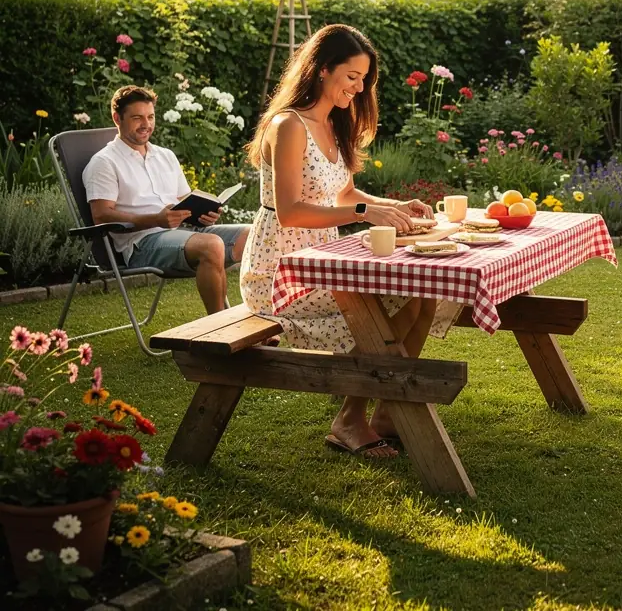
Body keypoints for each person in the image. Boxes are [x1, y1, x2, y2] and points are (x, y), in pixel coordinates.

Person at [240, 23, 443, 460]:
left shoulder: (335, 124)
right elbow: (292, 209)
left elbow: (346, 195)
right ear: (321, 69)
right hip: (281, 271)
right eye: (352, 76)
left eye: (364, 79)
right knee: (397, 300)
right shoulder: (288, 125)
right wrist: (365, 214)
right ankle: (350, 418)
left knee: (422, 296)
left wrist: (396, 205)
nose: (359, 87)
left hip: (322, 258)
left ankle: (389, 411)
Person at [83, 86, 249, 315]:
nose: (146, 124)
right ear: (117, 119)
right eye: (137, 118)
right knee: (211, 245)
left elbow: (185, 201)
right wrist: (156, 219)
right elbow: (101, 215)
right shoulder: (104, 162)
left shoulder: (165, 156)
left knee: (256, 234)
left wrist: (204, 215)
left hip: (183, 234)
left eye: (150, 117)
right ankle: (220, 332)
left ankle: (258, 317)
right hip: (141, 243)